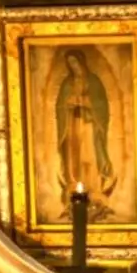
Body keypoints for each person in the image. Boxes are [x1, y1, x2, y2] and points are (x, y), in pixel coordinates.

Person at [55, 49, 116, 219]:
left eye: (75, 62)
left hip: (89, 124)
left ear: (82, 62)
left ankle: (93, 191)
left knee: (89, 156)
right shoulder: (67, 84)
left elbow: (102, 106)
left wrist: (87, 103)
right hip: (72, 125)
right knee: (74, 159)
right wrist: (68, 105)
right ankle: (74, 190)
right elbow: (60, 107)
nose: (74, 67)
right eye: (70, 64)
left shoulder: (94, 82)